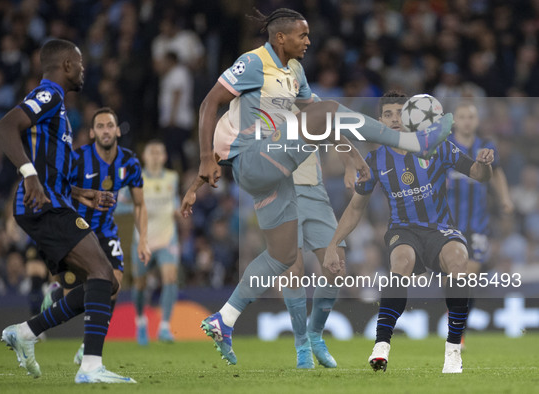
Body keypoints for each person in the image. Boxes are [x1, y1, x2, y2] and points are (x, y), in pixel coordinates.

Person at [188, 8, 452, 365]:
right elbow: (209, 103)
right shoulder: (252, 63)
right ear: (280, 37)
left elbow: (323, 122)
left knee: (280, 256)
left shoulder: (294, 72)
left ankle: (225, 318)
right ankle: (412, 143)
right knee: (327, 107)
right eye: (302, 35)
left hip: (277, 173)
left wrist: (353, 158)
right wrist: (206, 158)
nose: (309, 41)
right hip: (254, 159)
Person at [0, 39, 136, 384]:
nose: (84, 69)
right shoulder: (49, 96)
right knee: (104, 272)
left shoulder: (59, 111)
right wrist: (28, 176)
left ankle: (27, 332)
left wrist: (81, 192)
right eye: (81, 63)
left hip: (55, 202)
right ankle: (89, 367)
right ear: (67, 65)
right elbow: (4, 127)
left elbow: (50, 169)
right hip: (43, 207)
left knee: (105, 282)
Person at [323, 91, 494, 374]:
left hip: (441, 230)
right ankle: (381, 346)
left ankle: (453, 352)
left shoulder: (438, 147)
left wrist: (485, 164)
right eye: (387, 114)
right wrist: (334, 243)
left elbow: (477, 173)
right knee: (400, 262)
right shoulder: (375, 160)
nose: (394, 119)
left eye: (400, 113)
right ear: (379, 121)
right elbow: (355, 209)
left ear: (413, 116)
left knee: (459, 262)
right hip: (403, 230)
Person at [42, 106, 151, 364]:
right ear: (92, 132)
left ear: (117, 130)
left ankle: (88, 348)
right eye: (100, 126)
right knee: (76, 297)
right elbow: (55, 188)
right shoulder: (78, 159)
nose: (105, 131)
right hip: (77, 230)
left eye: (110, 126)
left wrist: (143, 239)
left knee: (113, 284)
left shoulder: (130, 162)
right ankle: (56, 296)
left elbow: (139, 204)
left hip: (105, 230)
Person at [446, 102, 514, 347]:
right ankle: (457, 323)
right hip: (449, 222)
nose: (466, 121)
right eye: (462, 116)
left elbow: (498, 173)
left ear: (476, 121)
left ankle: (457, 325)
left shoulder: (486, 146)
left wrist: (505, 198)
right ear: (455, 121)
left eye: (470, 117)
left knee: (467, 277)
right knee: (456, 276)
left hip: (477, 223)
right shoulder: (446, 145)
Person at [281, 146, 351, 369]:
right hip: (281, 190)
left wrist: (349, 164)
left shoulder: (311, 109)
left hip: (314, 190)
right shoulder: (263, 111)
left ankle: (315, 335)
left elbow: (332, 128)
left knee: (336, 267)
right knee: (293, 270)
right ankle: (302, 346)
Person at [132, 140, 180, 345]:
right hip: (143, 239)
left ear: (164, 157)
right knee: (140, 284)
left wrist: (178, 209)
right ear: (144, 156)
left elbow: (174, 200)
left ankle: (164, 327)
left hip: (167, 236)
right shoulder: (136, 178)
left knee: (170, 277)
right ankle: (141, 322)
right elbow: (124, 203)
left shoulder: (172, 177)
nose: (154, 156)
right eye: (151, 152)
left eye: (158, 152)